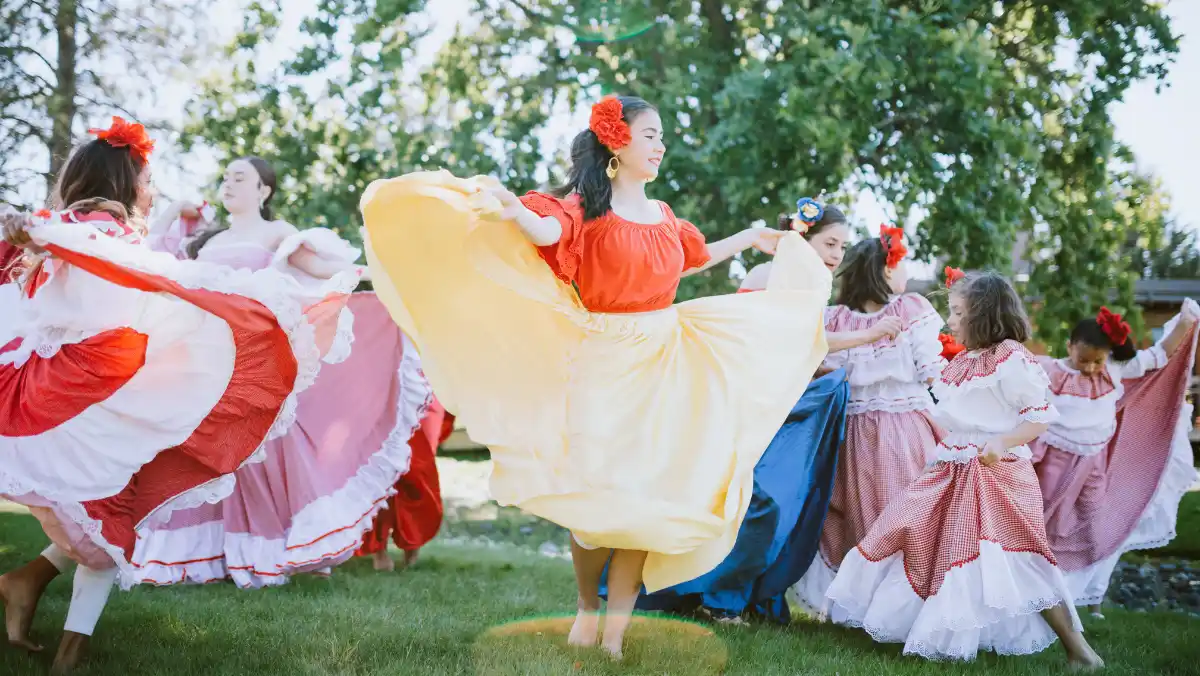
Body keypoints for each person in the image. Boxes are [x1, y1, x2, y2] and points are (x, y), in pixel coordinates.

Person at [359, 95, 832, 657]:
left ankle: (614, 633)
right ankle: (587, 606)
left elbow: (691, 259)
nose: (661, 146)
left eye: (661, 137)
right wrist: (514, 211)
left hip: (664, 360)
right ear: (618, 141)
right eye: (651, 135)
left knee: (645, 498)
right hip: (603, 363)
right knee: (594, 502)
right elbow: (544, 232)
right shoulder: (584, 209)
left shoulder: (663, 217)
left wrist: (750, 239)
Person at [0, 117, 326, 671]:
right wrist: (40, 234)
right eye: (147, 178)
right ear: (125, 180)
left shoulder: (91, 227)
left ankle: (32, 594)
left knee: (110, 519)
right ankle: (62, 643)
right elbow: (90, 248)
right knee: (110, 523)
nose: (153, 189)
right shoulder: (92, 225)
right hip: (83, 393)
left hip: (90, 386)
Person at [128, 157, 433, 587]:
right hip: (203, 360)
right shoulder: (204, 241)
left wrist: (381, 274)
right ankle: (204, 554)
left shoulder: (279, 234)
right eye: (227, 177)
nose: (229, 183)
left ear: (264, 191)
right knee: (202, 450)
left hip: (254, 360)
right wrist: (173, 210)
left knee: (255, 453)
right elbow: (155, 261)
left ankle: (260, 549)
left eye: (241, 178)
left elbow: (324, 270)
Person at [825, 271, 1103, 668]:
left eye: (957, 313)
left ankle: (1081, 651)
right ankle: (935, 630)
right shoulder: (965, 362)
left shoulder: (1010, 359)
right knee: (919, 537)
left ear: (984, 315)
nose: (950, 320)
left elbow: (1038, 417)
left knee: (1020, 559)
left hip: (998, 474)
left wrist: (1002, 441)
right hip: (952, 467)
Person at [790, 226, 946, 616]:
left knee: (892, 512)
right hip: (878, 430)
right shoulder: (841, 318)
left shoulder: (902, 311)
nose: (906, 270)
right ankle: (877, 608)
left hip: (881, 428)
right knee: (875, 514)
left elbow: (933, 372)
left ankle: (898, 606)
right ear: (884, 270)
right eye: (902, 262)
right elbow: (933, 372)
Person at [1032, 303, 1199, 617]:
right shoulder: (1051, 371)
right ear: (1069, 346)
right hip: (1057, 456)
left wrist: (1185, 323)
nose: (1092, 368)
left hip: (1094, 460)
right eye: (1084, 359)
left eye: (1097, 360)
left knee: (1095, 520)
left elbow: (1159, 355)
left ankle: (1091, 593)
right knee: (1044, 514)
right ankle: (1036, 582)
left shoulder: (1113, 368)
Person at [356, 397, 451, 571]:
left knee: (418, 469)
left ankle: (412, 541)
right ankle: (379, 548)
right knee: (383, 469)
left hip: (425, 391)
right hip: (385, 389)